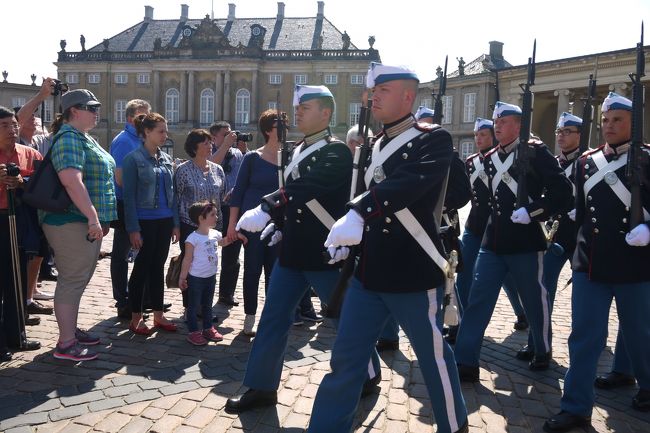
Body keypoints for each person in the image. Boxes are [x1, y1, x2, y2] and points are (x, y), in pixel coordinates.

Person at [307, 63, 468, 433]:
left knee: (434, 361)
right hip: (368, 272)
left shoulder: (433, 139)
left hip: (413, 270)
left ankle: (454, 426)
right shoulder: (373, 143)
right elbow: (357, 192)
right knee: (346, 361)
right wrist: (348, 238)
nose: (373, 96)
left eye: (384, 90)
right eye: (372, 91)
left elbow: (409, 184)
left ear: (408, 97)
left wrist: (359, 213)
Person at [225, 84, 378, 413]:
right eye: (298, 107)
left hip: (324, 252)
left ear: (325, 114)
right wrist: (278, 224)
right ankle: (262, 386)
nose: (297, 111)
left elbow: (306, 188)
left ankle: (369, 373)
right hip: (293, 251)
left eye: (305, 107)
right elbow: (292, 197)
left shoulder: (336, 152)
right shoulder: (294, 150)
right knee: (273, 319)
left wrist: (266, 207)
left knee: (343, 319)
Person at [544, 92, 650, 432]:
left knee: (640, 335)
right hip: (591, 263)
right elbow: (574, 207)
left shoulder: (648, 160)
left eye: (617, 119)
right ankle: (575, 406)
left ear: (635, 123)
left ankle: (647, 387)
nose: (609, 125)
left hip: (636, 265)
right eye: (605, 120)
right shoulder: (586, 162)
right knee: (585, 336)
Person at [453, 101, 572, 381]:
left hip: (525, 244)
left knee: (533, 300)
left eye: (503, 121)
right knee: (478, 300)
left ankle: (542, 349)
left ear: (519, 125)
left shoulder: (536, 153)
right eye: (496, 120)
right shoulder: (490, 157)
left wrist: (533, 212)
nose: (497, 124)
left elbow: (563, 192)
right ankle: (466, 359)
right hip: (492, 242)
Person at [41, 90, 117, 361]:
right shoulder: (69, 137)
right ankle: (65, 343)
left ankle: (70, 330)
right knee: (72, 279)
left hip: (81, 221)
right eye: (91, 107)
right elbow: (72, 180)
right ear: (74, 110)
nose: (97, 111)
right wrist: (93, 217)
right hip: (70, 220)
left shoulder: (83, 137)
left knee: (78, 279)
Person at [517, 112, 582, 361]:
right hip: (555, 235)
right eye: (559, 132)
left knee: (583, 299)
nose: (561, 136)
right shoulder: (552, 161)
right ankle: (537, 343)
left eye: (567, 132)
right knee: (542, 293)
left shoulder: (591, 162)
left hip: (581, 237)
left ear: (580, 134)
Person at [455, 118, 528, 332]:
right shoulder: (471, 162)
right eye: (476, 135)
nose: (478, 139)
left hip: (496, 225)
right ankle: (461, 319)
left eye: (483, 135)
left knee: (507, 277)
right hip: (475, 225)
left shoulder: (504, 160)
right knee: (464, 271)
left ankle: (521, 311)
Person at [227, 109, 284, 335]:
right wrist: (233, 225)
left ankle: (269, 318)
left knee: (274, 272)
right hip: (252, 224)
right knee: (252, 270)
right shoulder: (252, 158)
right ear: (269, 130)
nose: (285, 130)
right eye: (281, 125)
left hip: (277, 224)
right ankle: (250, 316)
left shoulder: (287, 158)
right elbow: (238, 193)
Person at [122, 112, 179, 336]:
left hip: (164, 222)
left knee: (158, 267)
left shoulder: (166, 159)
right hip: (144, 222)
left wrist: (174, 223)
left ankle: (158, 314)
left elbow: (172, 196)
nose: (165, 135)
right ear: (147, 132)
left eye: (165, 131)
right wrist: (133, 228)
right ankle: (136, 317)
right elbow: (128, 198)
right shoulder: (133, 159)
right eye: (161, 131)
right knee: (141, 268)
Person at [0, 106, 42, 361]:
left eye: (14, 125)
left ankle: (17, 335)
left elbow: (43, 180)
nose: (12, 130)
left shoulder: (28, 153)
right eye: (5, 126)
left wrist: (22, 182)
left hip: (18, 220)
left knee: (15, 280)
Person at [174, 129, 226, 320]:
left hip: (212, 229)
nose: (210, 145)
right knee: (190, 267)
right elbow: (176, 199)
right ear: (194, 146)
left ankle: (205, 308)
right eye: (205, 142)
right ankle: (190, 308)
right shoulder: (183, 170)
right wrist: (176, 226)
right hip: (190, 227)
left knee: (208, 268)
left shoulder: (217, 169)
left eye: (210, 142)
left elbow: (222, 198)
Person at [108, 99, 151, 319]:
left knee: (141, 250)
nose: (145, 120)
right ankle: (123, 299)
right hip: (127, 203)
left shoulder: (144, 139)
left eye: (147, 116)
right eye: (141, 116)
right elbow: (120, 176)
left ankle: (141, 297)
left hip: (142, 203)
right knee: (123, 253)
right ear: (129, 118)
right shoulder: (125, 140)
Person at [179, 201, 235, 345]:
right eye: (213, 214)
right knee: (193, 306)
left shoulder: (215, 234)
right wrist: (182, 278)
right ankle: (193, 332)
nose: (217, 217)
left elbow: (222, 243)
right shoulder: (192, 238)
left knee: (208, 305)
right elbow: (187, 259)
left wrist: (235, 236)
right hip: (196, 278)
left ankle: (208, 328)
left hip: (211, 277)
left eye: (216, 214)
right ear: (201, 218)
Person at [209, 121, 244, 307]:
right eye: (225, 134)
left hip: (232, 208)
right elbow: (212, 164)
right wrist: (224, 146)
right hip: (213, 210)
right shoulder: (208, 150)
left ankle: (226, 293)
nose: (230, 136)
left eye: (231, 133)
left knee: (232, 254)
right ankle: (203, 295)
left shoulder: (237, 153)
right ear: (214, 137)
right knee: (209, 252)